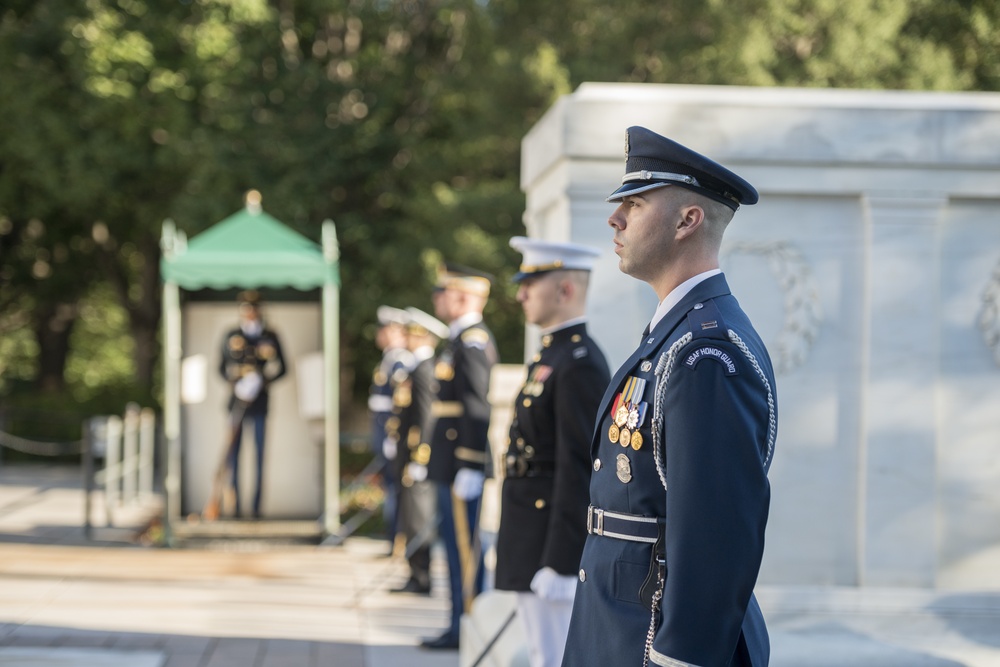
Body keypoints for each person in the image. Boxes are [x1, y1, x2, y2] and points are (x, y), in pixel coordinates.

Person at [561, 126, 778, 667]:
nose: (615, 219)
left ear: (688, 220)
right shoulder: (676, 334)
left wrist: (680, 657)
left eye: (634, 204)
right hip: (619, 623)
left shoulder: (705, 352)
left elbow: (718, 536)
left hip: (651, 639)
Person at [495, 237, 611, 667]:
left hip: (550, 542)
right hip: (531, 535)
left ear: (565, 290)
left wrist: (563, 560)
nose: (521, 292)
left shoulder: (578, 361)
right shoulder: (552, 354)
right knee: (544, 653)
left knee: (557, 656)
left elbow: (579, 464)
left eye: (532, 283)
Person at [421, 262, 499, 651]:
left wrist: (469, 464)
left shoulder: (471, 341)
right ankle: (458, 622)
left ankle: (465, 625)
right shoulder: (457, 340)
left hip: (459, 464)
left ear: (465, 297)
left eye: (445, 292)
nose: (438, 298)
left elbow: (477, 408)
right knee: (453, 547)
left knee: (464, 549)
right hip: (449, 461)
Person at [386, 307, 450, 595]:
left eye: (412, 334)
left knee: (417, 518)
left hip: (416, 455)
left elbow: (426, 416)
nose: (407, 339)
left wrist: (420, 456)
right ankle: (414, 573)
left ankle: (421, 576)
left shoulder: (424, 370)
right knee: (409, 516)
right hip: (406, 452)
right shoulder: (415, 367)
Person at [218, 290, 287, 519]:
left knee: (259, 456)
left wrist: (263, 381)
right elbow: (220, 368)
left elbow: (283, 368)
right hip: (237, 402)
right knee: (234, 456)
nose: (250, 313)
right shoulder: (232, 334)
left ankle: (256, 508)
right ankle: (235, 507)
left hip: (259, 402)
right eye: (246, 309)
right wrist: (235, 383)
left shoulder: (270, 335)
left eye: (253, 309)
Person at [369, 305, 413, 552]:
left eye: (385, 329)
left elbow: (399, 405)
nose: (380, 334)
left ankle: (397, 539)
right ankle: (392, 537)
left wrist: (392, 435)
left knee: (396, 488)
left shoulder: (400, 361)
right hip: (382, 431)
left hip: (390, 433)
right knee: (390, 487)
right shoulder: (389, 359)